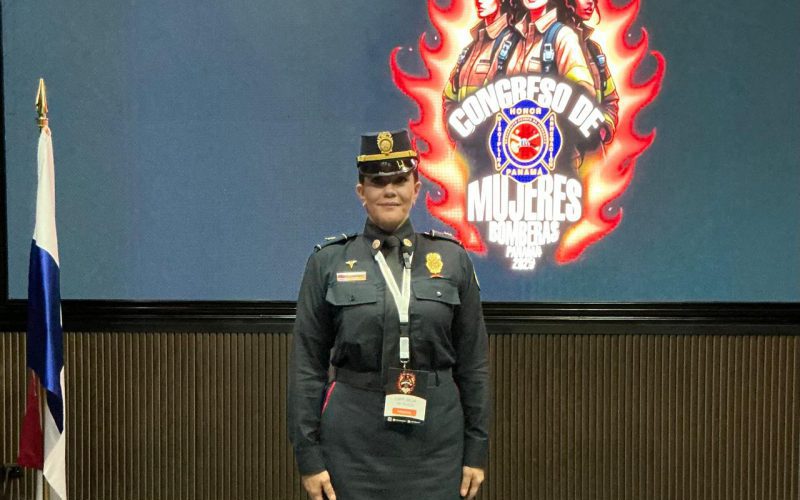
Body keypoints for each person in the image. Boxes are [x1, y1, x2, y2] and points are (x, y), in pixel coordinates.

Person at [288, 129, 490, 500]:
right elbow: (307, 366)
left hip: (437, 442)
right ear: (361, 192)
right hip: (353, 442)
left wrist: (477, 448)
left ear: (417, 188)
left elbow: (473, 363)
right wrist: (308, 454)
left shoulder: (452, 259)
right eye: (377, 182)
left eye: (399, 181)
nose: (389, 191)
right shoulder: (328, 262)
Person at [556, 0, 619, 145]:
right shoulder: (549, 44)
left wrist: (604, 127)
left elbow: (610, 99)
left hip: (592, 150)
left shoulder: (594, 50)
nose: (590, 2)